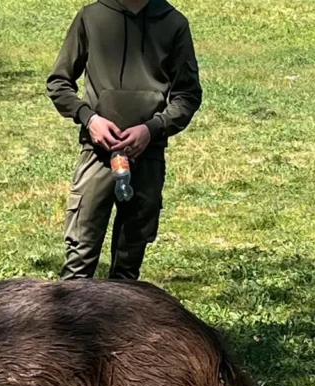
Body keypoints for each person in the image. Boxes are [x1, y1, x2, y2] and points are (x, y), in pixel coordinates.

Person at [47, 0, 202, 281]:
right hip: (97, 152)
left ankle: (119, 325)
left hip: (147, 154)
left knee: (128, 269)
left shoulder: (173, 23)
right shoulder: (91, 17)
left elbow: (188, 95)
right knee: (79, 262)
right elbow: (59, 83)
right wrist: (90, 119)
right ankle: (70, 324)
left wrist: (153, 128)